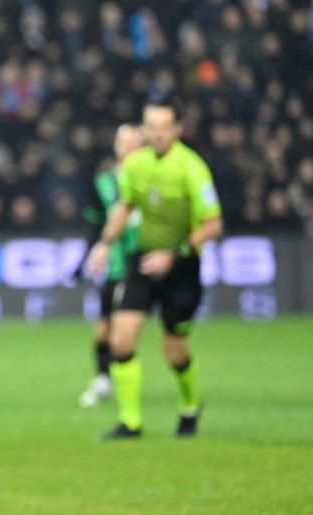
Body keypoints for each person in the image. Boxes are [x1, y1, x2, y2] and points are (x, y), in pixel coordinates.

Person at [86, 96, 223, 438]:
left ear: (177, 128)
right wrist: (104, 243)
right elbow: (124, 206)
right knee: (121, 340)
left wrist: (174, 253)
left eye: (165, 126)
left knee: (174, 350)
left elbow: (213, 225)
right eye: (152, 126)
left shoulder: (193, 168)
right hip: (144, 260)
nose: (158, 133)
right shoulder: (135, 165)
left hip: (182, 266)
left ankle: (189, 405)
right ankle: (130, 421)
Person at [78, 124, 144, 407]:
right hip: (116, 265)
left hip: (144, 262)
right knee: (104, 328)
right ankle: (104, 377)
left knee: (123, 330)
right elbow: (95, 224)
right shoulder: (104, 180)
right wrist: (86, 256)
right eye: (123, 143)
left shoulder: (153, 177)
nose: (127, 148)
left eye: (133, 143)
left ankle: (117, 380)